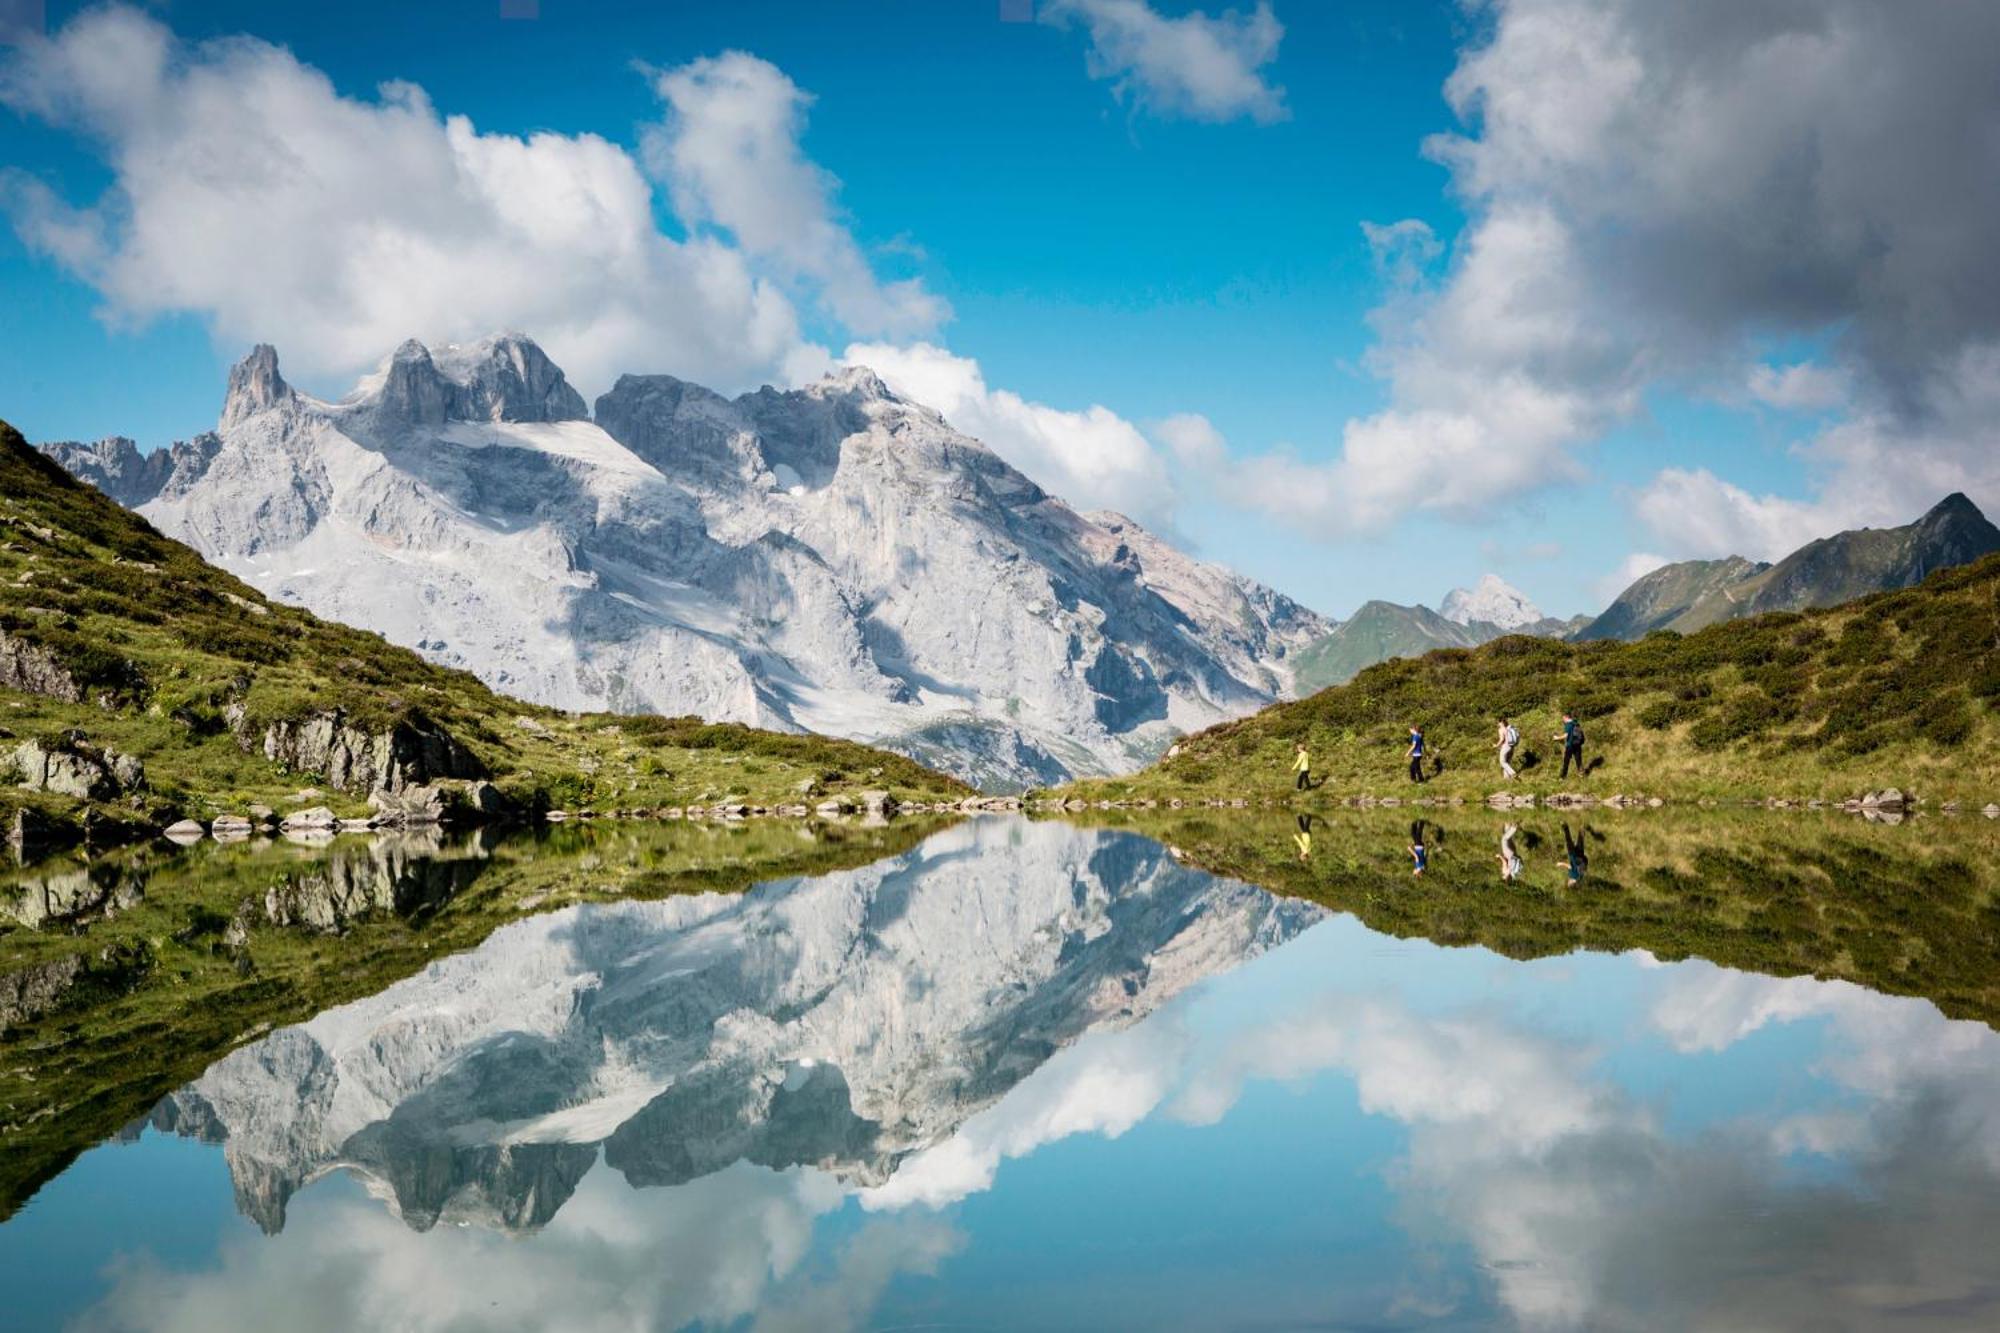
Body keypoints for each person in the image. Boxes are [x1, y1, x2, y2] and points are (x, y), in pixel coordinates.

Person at [1555, 711, 1586, 779]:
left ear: (1566, 717)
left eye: (1563, 718)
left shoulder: (1568, 725)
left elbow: (1566, 736)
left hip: (1570, 745)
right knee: (1578, 760)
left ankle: (1563, 777)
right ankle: (1582, 775)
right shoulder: (1576, 722)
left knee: (1566, 761)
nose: (1563, 720)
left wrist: (1557, 738)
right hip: (1577, 744)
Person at [1556, 822, 1588, 886]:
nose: (1568, 881)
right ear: (1570, 883)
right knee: (1568, 841)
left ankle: (1583, 824)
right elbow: (1569, 866)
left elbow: (1583, 867)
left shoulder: (1580, 877)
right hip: (1573, 854)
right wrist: (1560, 864)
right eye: (1568, 883)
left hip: (1580, 856)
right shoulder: (1572, 876)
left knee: (1580, 840)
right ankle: (1565, 826)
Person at [1496, 716, 1519, 780]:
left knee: (1502, 762)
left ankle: (1513, 773)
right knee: (1507, 763)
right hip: (1512, 747)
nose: (1498, 724)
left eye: (1498, 722)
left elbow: (1502, 739)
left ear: (1501, 722)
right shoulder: (1509, 728)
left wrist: (1496, 745)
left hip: (1505, 747)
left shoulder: (1501, 729)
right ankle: (1506, 778)